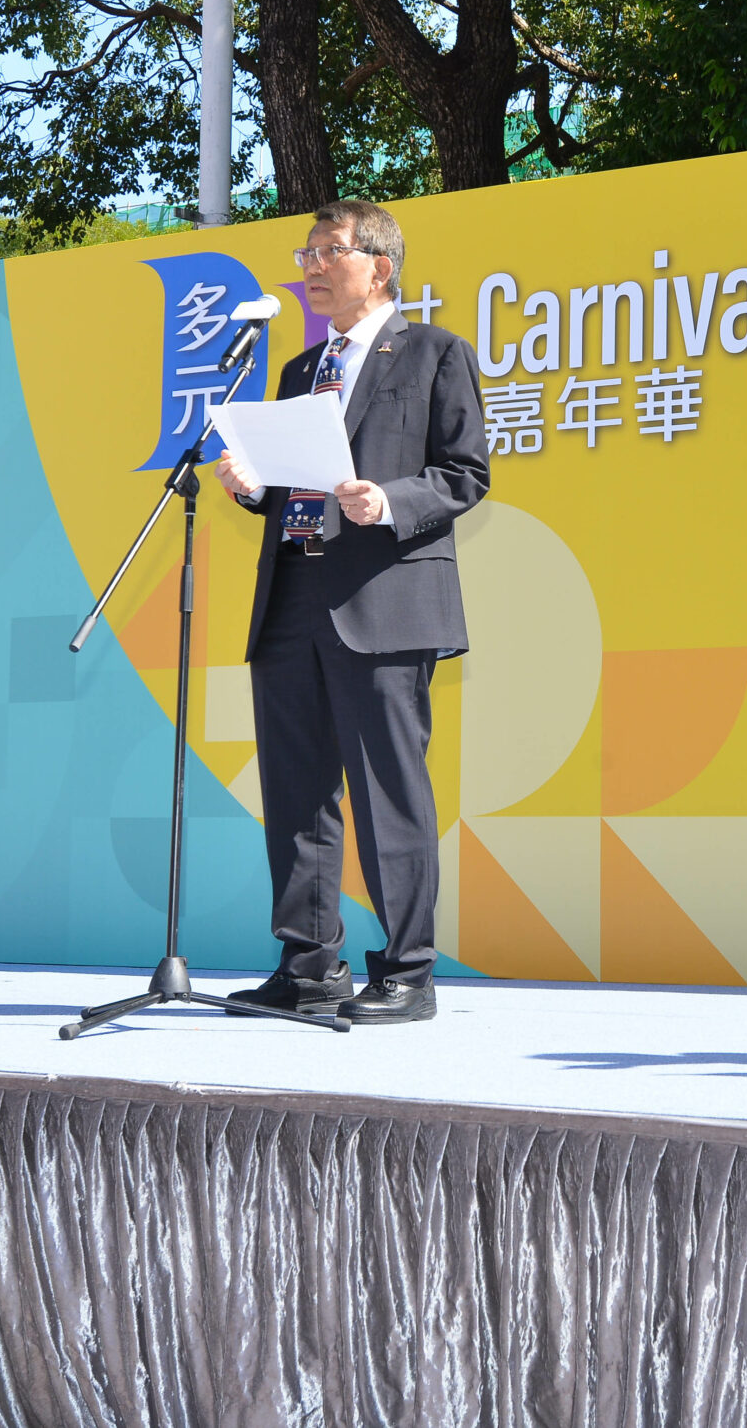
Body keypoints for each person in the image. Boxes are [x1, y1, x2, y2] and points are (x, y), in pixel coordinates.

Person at [214, 200, 489, 1024]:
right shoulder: (300, 370)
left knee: (387, 791)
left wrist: (388, 500)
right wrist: (255, 487)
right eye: (306, 251)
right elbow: (297, 481)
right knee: (298, 792)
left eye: (328, 250)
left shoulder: (436, 353)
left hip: (386, 600)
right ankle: (308, 966)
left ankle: (407, 970)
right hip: (293, 594)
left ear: (380, 264)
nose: (311, 265)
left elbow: (465, 473)